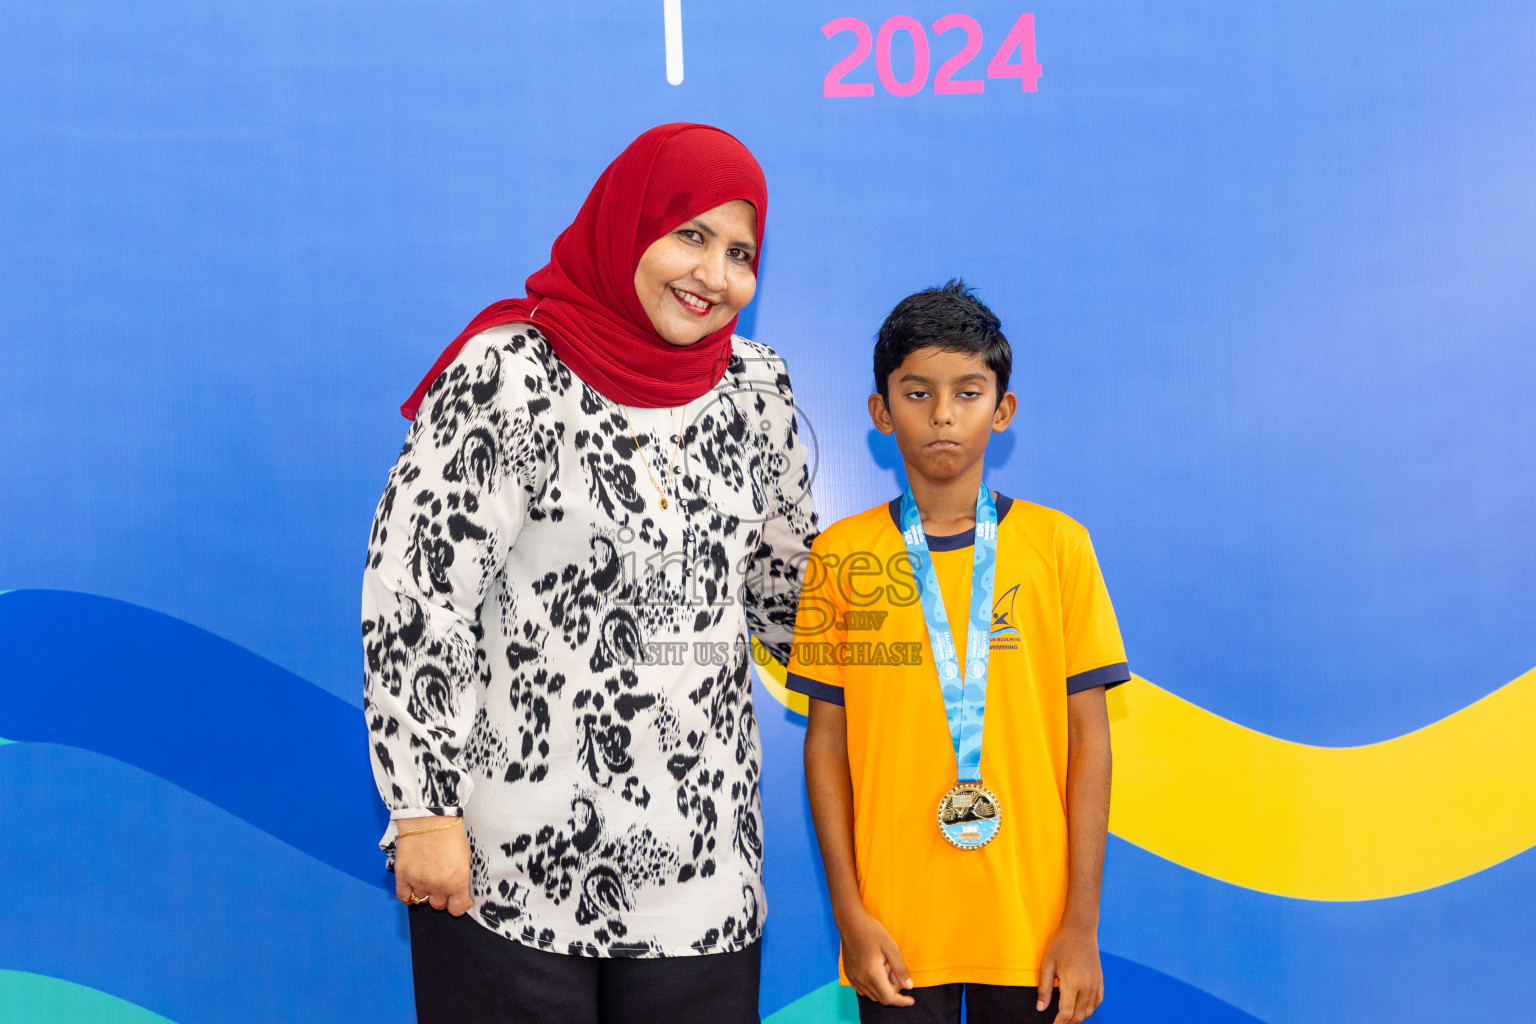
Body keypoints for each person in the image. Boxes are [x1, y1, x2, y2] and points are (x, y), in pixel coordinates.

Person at [362, 123, 818, 1024]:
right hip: (506, 872)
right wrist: (421, 812)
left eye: (740, 252)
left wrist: (932, 633)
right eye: (689, 233)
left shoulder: (757, 389)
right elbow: (417, 598)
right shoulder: (511, 372)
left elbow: (784, 597)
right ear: (627, 223)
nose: (714, 275)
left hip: (703, 878)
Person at [786, 280, 1126, 1024]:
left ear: (1002, 410)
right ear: (880, 412)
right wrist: (850, 913)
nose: (943, 414)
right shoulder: (843, 556)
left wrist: (1081, 924)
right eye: (917, 393)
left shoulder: (1058, 548)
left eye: (968, 392)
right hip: (898, 932)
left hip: (1032, 931)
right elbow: (826, 746)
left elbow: (1089, 738)